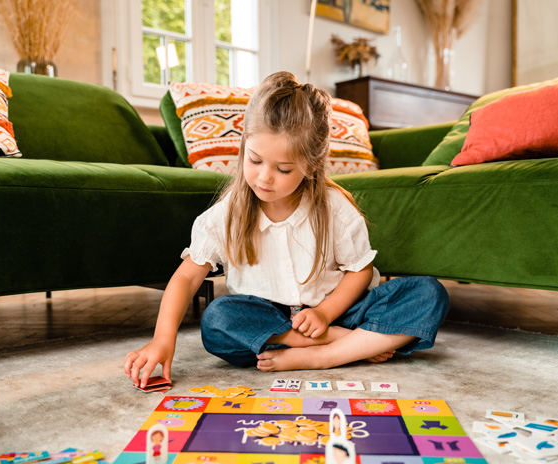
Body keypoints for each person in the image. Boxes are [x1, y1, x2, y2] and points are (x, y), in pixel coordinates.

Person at [124, 71, 449, 387]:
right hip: (270, 321)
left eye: (282, 169)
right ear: (243, 147)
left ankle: (324, 355)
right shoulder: (227, 214)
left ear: (312, 165)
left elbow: (360, 273)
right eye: (254, 160)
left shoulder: (335, 207)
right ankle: (351, 345)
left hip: (339, 310)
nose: (264, 177)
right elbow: (186, 277)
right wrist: (162, 340)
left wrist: (324, 314)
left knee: (428, 294)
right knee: (217, 321)